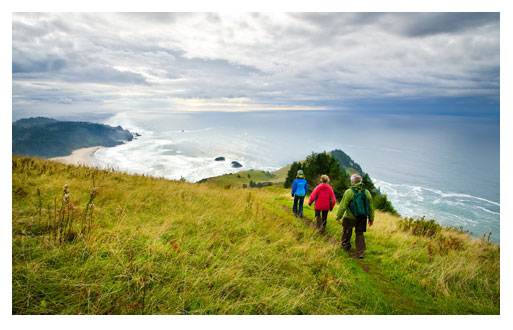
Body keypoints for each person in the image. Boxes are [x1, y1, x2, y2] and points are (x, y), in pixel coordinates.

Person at [336, 174, 375, 258]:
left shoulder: (349, 192)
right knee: (360, 233)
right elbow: (371, 207)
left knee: (347, 231)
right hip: (362, 217)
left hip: (350, 217)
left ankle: (345, 246)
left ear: (352, 182)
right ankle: (360, 252)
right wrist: (371, 219)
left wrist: (338, 216)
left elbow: (343, 205)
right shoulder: (366, 192)